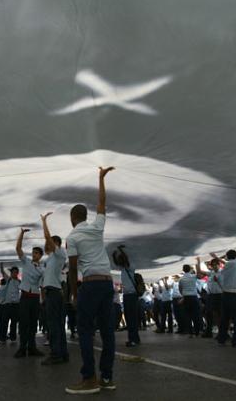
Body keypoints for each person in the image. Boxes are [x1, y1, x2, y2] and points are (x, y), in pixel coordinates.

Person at [65, 167, 116, 395]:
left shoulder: (72, 237)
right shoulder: (97, 226)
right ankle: (106, 377)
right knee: (107, 332)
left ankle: (89, 379)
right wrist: (101, 179)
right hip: (107, 283)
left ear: (72, 219)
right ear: (86, 217)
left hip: (91, 284)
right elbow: (102, 203)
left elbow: (73, 267)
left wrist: (75, 294)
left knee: (85, 330)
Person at [40, 212, 69, 365]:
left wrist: (44, 222)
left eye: (50, 242)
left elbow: (47, 238)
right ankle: (62, 353)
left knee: (53, 324)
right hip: (53, 292)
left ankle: (56, 354)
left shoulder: (60, 253)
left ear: (55, 243)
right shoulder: (51, 258)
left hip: (54, 293)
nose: (47, 244)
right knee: (57, 324)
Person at [14, 227, 44, 358]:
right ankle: (22, 348)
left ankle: (32, 348)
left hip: (35, 298)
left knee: (33, 324)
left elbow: (43, 284)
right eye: (33, 252)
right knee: (24, 323)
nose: (34, 254)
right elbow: (18, 249)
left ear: (40, 256)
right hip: (25, 296)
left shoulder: (43, 269)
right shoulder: (26, 262)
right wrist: (21, 234)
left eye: (36, 253)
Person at [112, 245, 141, 346]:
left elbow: (125, 259)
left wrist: (120, 250)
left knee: (131, 318)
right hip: (127, 296)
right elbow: (117, 262)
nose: (119, 262)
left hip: (131, 295)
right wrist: (114, 255)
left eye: (121, 260)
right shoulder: (123, 269)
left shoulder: (130, 267)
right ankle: (134, 339)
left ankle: (134, 340)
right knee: (129, 318)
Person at [197, 257, 222, 338]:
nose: (214, 266)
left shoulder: (222, 272)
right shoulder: (211, 273)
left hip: (220, 295)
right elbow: (200, 271)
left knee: (220, 315)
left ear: (219, 265)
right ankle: (213, 332)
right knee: (211, 314)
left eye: (216, 265)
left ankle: (223, 332)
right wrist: (198, 262)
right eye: (213, 265)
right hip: (211, 295)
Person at [0, 264, 21, 344]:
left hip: (15, 305)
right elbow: (2, 272)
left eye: (14, 272)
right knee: (5, 322)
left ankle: (13, 337)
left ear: (17, 273)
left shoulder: (19, 282)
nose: (13, 274)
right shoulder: (8, 280)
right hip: (7, 305)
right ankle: (3, 338)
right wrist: (1, 265)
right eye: (12, 272)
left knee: (14, 322)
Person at [179, 265, 202, 337]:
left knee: (187, 315)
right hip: (194, 297)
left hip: (186, 297)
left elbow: (180, 289)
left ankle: (190, 333)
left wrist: (183, 295)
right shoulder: (193, 276)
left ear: (183, 270)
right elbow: (199, 276)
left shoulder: (181, 279)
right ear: (190, 270)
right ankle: (197, 332)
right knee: (196, 315)